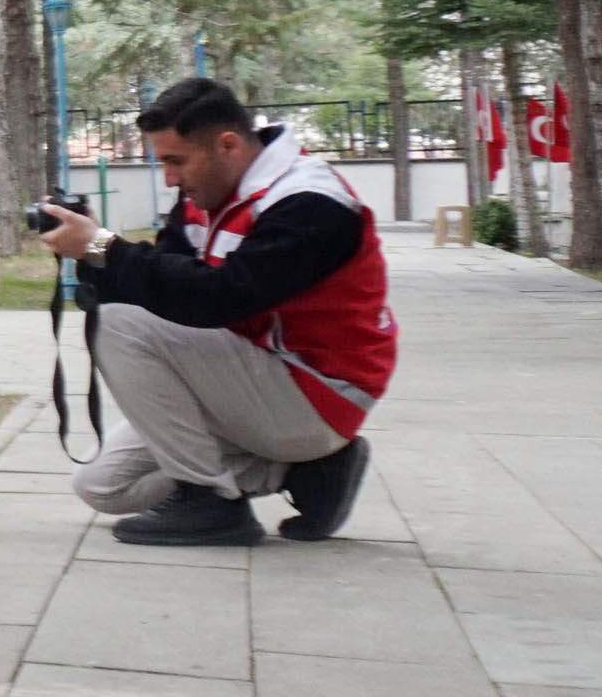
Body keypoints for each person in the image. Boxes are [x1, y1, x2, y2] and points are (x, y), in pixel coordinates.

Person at [32, 78, 389, 547]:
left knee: (118, 327)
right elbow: (165, 288)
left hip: (318, 392)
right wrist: (91, 254)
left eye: (175, 161)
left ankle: (208, 500)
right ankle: (307, 472)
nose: (169, 179)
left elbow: (221, 298)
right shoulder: (210, 193)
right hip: (252, 378)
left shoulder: (310, 202)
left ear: (228, 145)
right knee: (102, 487)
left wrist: (105, 248)